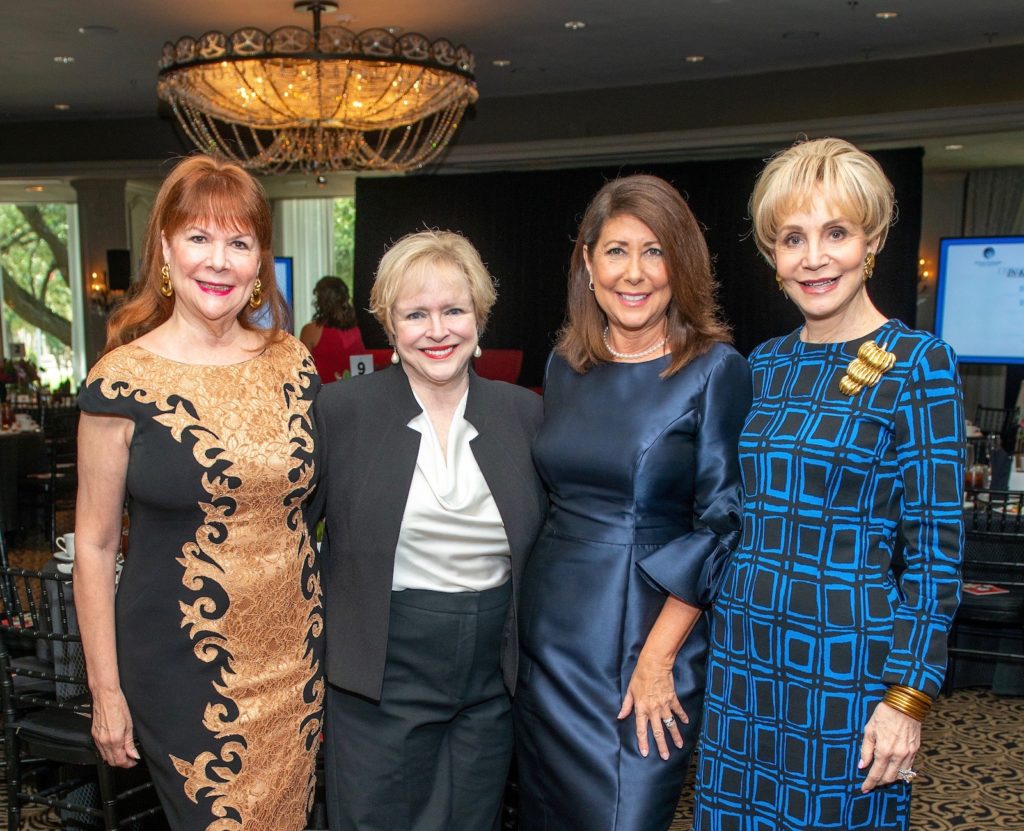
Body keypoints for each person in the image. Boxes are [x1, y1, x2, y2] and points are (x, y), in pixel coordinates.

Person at [693, 138, 965, 830]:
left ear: (870, 241)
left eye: (836, 232)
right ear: (772, 256)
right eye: (793, 238)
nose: (814, 257)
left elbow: (936, 555)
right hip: (744, 662)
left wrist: (907, 698)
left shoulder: (917, 362)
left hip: (847, 667)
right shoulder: (765, 364)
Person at [74, 155, 323, 830]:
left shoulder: (292, 362)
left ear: (260, 259)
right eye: (199, 238)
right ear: (164, 248)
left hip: (295, 663)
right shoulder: (121, 380)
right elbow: (94, 546)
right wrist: (105, 690)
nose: (219, 261)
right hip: (184, 669)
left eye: (239, 242)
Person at [513, 174, 752, 830]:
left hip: (645, 641)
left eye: (655, 251)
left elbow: (722, 523)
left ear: (682, 263)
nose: (635, 272)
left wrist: (657, 659)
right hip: (550, 636)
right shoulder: (566, 364)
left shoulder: (714, 369)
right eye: (617, 251)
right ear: (588, 263)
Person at [311, 230, 547, 831]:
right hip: (379, 675)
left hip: (491, 677)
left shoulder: (526, 415)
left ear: (480, 317)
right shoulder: (340, 414)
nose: (437, 330)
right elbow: (287, 541)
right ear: (389, 324)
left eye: (453, 311)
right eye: (416, 314)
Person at [300, 275, 366, 382]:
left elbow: (302, 373)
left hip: (322, 395)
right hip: (351, 394)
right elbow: (363, 368)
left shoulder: (310, 331)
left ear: (320, 302)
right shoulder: (355, 331)